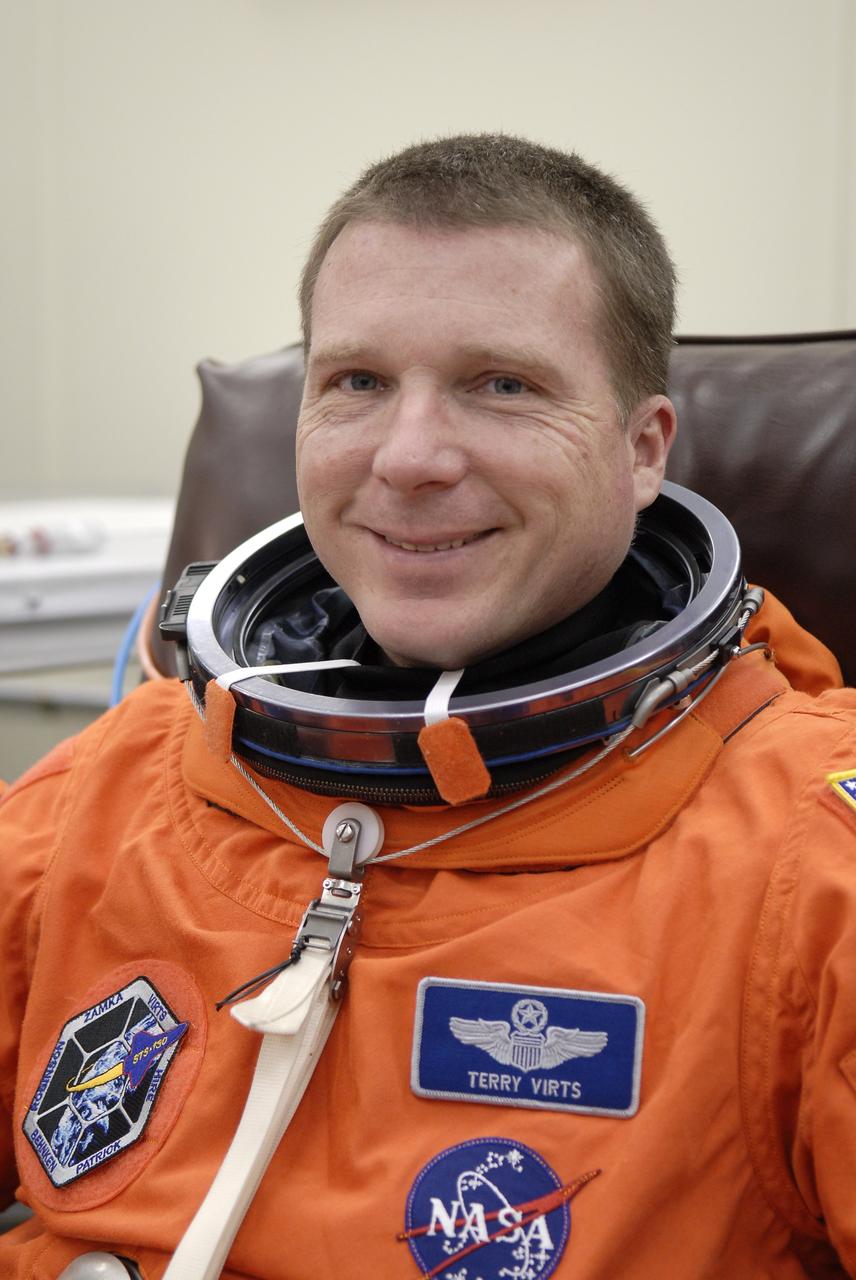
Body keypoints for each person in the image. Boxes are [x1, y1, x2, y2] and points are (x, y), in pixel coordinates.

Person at [1, 134, 855, 1280]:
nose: (407, 457)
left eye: (501, 383)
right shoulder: (103, 796)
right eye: (355, 382)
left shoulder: (806, 864)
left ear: (643, 448)